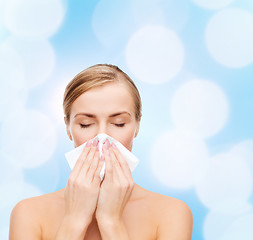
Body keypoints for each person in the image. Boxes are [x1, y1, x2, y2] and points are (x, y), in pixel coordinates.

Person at [9, 64, 193, 239]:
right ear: (68, 129)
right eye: (85, 124)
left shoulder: (171, 214)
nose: (102, 138)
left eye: (119, 123)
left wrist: (111, 221)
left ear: (137, 126)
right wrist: (74, 221)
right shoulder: (29, 214)